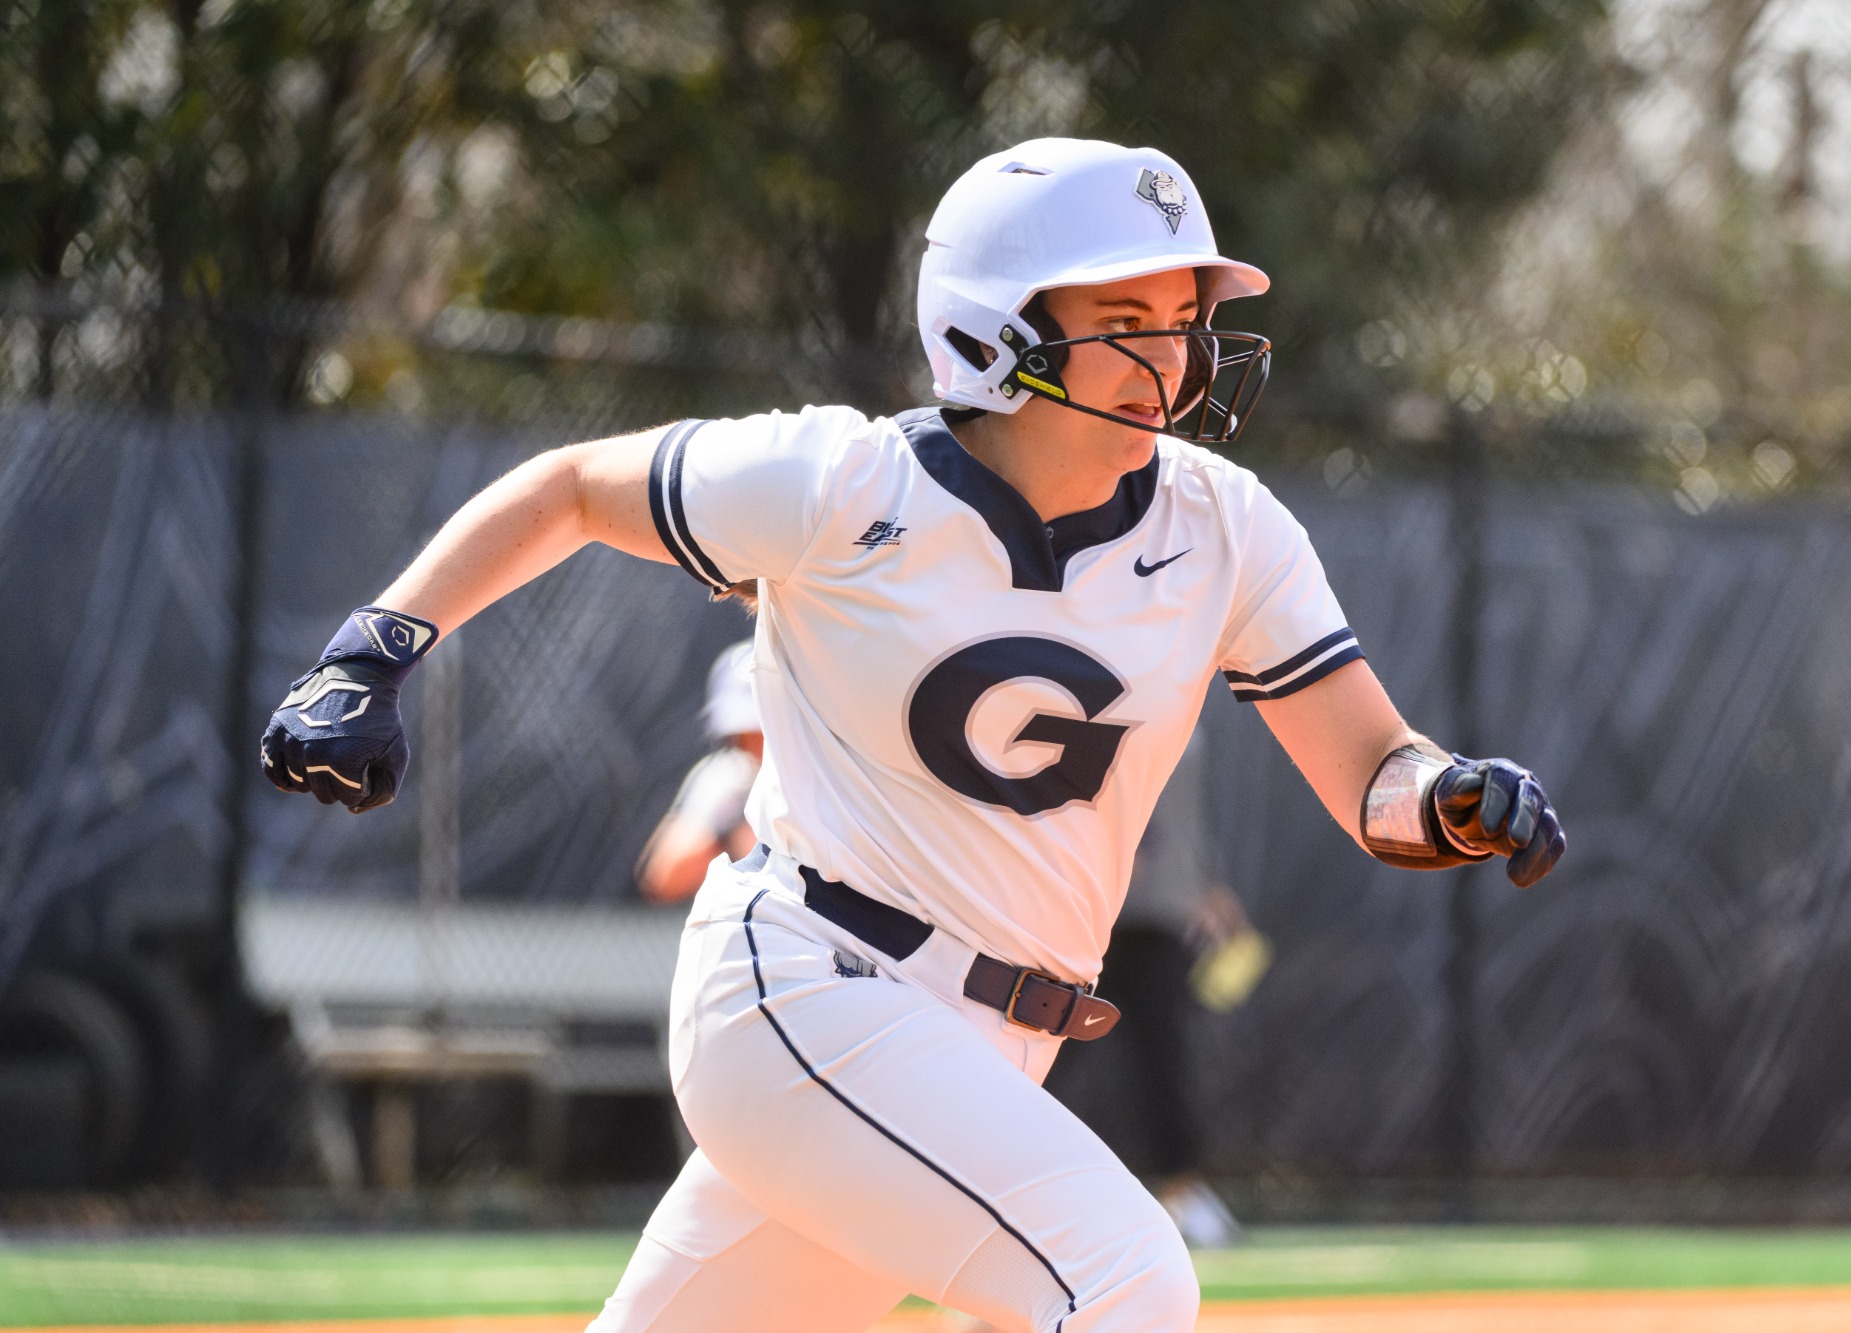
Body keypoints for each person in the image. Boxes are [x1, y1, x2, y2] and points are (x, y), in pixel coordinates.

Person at [259, 137, 1564, 1333]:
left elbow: (1371, 771)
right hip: (806, 981)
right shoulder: (843, 482)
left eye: (1187, 319)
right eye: (1127, 321)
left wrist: (1447, 793)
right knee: (1124, 1276)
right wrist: (368, 653)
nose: (1177, 358)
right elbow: (573, 489)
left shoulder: (1225, 525)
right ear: (994, 335)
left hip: (988, 1040)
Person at [1046, 728, 1249, 1250]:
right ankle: (1017, 1188)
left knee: (1166, 1060)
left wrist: (1207, 883)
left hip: (1161, 920)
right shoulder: (1095, 693)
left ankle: (1185, 1192)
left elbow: (1186, 819)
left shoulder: (1189, 720)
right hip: (1088, 917)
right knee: (1044, 1057)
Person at [636, 640, 763, 903]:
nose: (756, 744)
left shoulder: (831, 773)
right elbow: (664, 879)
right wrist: (730, 830)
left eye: (763, 730)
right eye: (744, 734)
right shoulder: (729, 779)